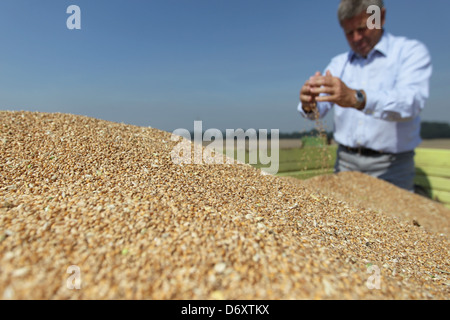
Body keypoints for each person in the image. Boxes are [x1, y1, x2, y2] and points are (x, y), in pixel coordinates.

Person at [298, 0, 432, 192]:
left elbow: (411, 103)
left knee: (393, 221)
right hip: (345, 163)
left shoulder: (409, 53)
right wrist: (308, 103)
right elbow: (316, 111)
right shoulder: (338, 64)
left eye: (363, 28)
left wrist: (356, 98)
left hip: (393, 168)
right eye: (349, 33)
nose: (356, 38)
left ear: (381, 17)